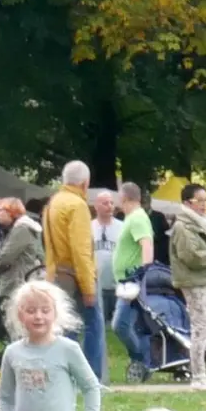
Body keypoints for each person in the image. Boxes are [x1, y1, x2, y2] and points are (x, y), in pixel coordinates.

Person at [0, 280, 101, 411]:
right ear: (20, 315)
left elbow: (91, 387)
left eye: (45, 310)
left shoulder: (68, 349)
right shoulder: (12, 353)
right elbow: (5, 397)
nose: (38, 316)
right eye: (31, 311)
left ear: (55, 313)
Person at [42, 161, 103, 381]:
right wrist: (88, 287)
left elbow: (48, 245)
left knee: (64, 328)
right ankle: (91, 378)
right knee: (92, 327)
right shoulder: (77, 205)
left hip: (56, 274)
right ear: (85, 183)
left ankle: (63, 376)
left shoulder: (53, 203)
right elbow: (81, 250)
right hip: (75, 276)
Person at [169, 183, 206, 391]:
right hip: (193, 282)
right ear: (187, 203)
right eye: (199, 201)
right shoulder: (183, 226)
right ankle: (199, 374)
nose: (204, 205)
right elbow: (189, 256)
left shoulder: (203, 222)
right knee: (200, 326)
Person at [111, 182, 154, 382]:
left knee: (120, 324)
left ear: (124, 197)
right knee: (132, 325)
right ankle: (141, 363)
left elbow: (146, 245)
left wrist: (142, 272)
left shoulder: (137, 218)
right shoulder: (133, 218)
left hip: (132, 282)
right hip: (126, 281)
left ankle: (140, 360)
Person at [0, 197, 42, 306]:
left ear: (11, 212)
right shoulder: (12, 230)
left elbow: (3, 258)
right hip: (14, 284)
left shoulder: (22, 229)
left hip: (17, 286)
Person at [92, 191, 121, 323]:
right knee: (99, 323)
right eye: (105, 203)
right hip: (96, 285)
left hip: (118, 285)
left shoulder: (122, 227)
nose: (109, 206)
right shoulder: (88, 227)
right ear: (96, 206)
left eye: (111, 203)